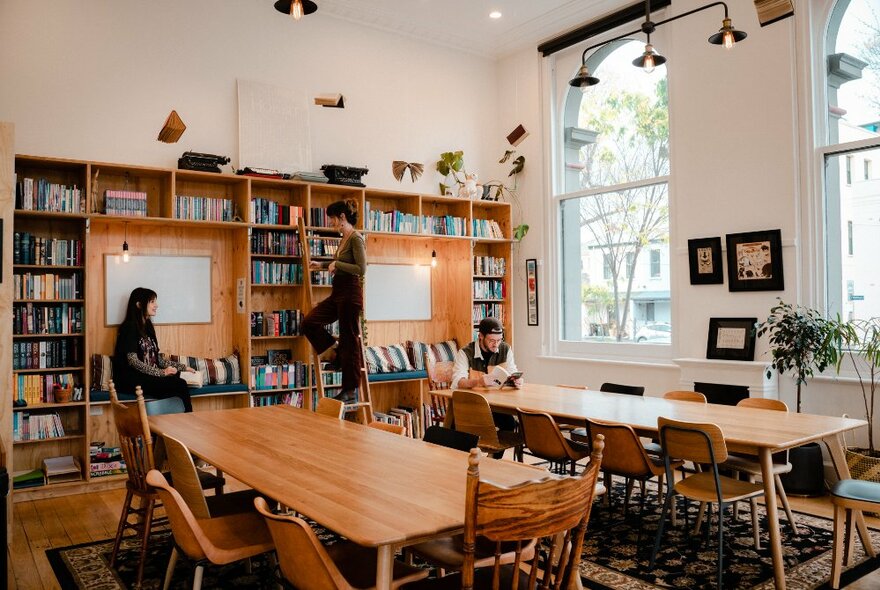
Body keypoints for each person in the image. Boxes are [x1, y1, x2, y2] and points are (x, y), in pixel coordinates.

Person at [302, 199, 366, 403]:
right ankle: (335, 353)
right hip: (338, 293)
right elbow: (339, 265)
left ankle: (350, 390)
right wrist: (321, 264)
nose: (330, 222)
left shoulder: (356, 238)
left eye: (332, 218)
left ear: (342, 218)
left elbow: (361, 269)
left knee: (350, 340)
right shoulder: (344, 238)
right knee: (309, 322)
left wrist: (336, 263)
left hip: (350, 293)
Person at [113, 287, 196, 412]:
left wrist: (183, 368)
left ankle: (170, 424)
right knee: (178, 384)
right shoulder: (129, 327)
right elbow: (133, 361)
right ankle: (187, 420)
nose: (156, 305)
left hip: (147, 376)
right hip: (131, 379)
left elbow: (157, 360)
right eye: (152, 302)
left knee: (178, 381)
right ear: (139, 304)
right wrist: (162, 373)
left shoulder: (148, 327)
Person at [451, 317, 523, 430]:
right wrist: (478, 382)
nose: (496, 345)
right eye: (491, 340)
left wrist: (516, 381)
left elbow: (512, 370)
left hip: (497, 404)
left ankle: (495, 448)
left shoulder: (506, 349)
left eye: (499, 340)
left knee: (510, 424)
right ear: (480, 336)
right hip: (472, 405)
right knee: (458, 424)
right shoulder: (465, 353)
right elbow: (458, 382)